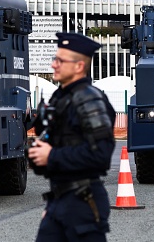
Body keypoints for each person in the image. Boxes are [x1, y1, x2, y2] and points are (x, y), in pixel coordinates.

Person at [27, 32, 116, 242]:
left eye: (60, 60)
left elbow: (101, 156)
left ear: (78, 67)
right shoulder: (62, 98)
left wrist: (52, 156)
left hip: (83, 202)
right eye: (55, 59)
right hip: (59, 201)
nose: (54, 65)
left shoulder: (89, 100)